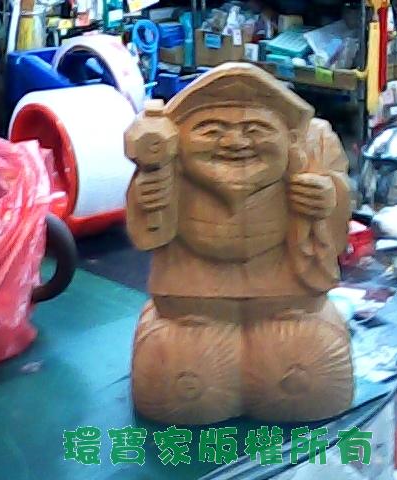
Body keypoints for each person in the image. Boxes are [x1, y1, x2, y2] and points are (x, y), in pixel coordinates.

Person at [127, 63, 353, 424]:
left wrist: (327, 198)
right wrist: (150, 194)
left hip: (286, 299)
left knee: (305, 376)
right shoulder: (168, 161)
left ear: (289, 137)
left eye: (255, 130)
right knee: (182, 381)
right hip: (192, 302)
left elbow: (339, 204)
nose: (235, 143)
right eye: (211, 130)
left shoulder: (314, 144)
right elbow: (148, 232)